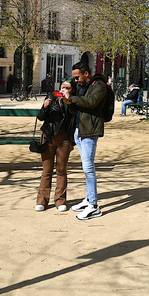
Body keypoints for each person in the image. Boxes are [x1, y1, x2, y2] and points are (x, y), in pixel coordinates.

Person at [63, 62, 108, 221]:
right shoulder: (82, 87)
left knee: (88, 168)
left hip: (90, 131)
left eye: (77, 77)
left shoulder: (99, 86)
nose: (75, 80)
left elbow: (90, 103)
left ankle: (94, 206)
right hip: (79, 130)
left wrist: (73, 98)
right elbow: (79, 108)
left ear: (86, 74)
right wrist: (69, 103)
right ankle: (89, 199)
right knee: (85, 168)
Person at [35, 81, 75, 212]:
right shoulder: (52, 97)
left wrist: (69, 101)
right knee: (46, 170)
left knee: (61, 170)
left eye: (67, 88)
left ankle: (60, 200)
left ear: (72, 90)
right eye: (63, 87)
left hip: (64, 138)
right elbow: (40, 117)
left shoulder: (74, 102)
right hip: (48, 137)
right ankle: (42, 200)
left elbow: (74, 122)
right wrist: (45, 107)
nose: (64, 90)